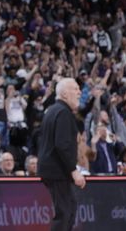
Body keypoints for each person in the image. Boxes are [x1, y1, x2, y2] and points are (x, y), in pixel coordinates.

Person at [38, 78, 86, 231]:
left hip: (54, 170)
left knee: (69, 209)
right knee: (64, 213)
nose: (80, 92)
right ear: (65, 94)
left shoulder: (53, 110)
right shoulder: (63, 112)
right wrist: (74, 170)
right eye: (76, 89)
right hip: (57, 171)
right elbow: (62, 145)